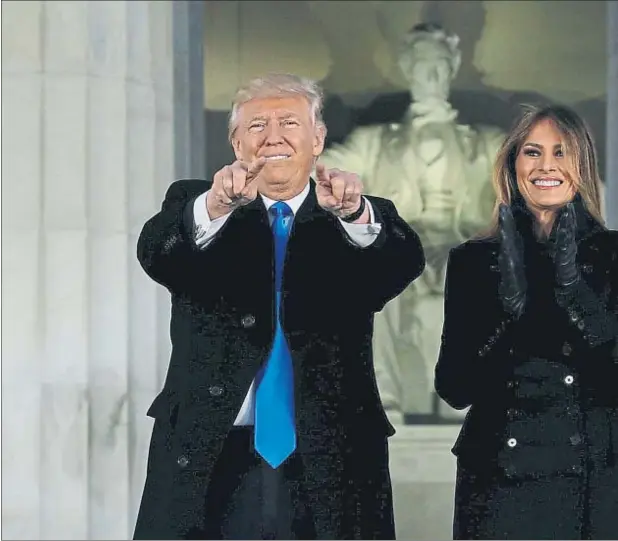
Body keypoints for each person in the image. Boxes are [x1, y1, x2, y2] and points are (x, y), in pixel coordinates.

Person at [133, 73, 425, 540]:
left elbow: (401, 266)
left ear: (318, 139)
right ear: (235, 142)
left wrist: (354, 214)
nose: (273, 137)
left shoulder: (357, 215)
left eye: (289, 122)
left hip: (331, 458)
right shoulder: (198, 205)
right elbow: (157, 255)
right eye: (256, 126)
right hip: (216, 454)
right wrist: (217, 204)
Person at [434, 104, 618, 539]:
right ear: (513, 164)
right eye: (532, 152)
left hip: (595, 478)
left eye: (562, 152)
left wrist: (574, 292)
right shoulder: (472, 262)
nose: (546, 166)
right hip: (499, 485)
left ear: (583, 165)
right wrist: (509, 305)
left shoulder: (612, 257)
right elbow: (454, 388)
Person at [321, 23, 505, 422]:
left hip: (465, 246)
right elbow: (318, 173)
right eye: (421, 64)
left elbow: (536, 176)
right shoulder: (373, 142)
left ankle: (461, 397)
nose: (431, 74)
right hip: (399, 248)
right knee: (371, 288)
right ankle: (382, 403)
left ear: (453, 66)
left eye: (439, 63)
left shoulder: (488, 142)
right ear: (406, 68)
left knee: (471, 279)